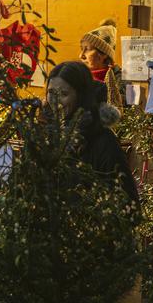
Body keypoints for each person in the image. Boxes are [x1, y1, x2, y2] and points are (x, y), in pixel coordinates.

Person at [44, 61, 138, 201]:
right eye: (51, 92)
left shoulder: (103, 141)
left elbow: (129, 203)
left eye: (64, 94)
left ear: (81, 96)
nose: (55, 101)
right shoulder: (51, 134)